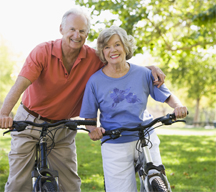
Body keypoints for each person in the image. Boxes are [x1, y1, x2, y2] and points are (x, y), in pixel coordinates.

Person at [0, 8, 166, 192]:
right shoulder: (42, 52)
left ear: (87, 34)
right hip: (29, 122)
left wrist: (148, 69)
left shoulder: (93, 58)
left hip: (62, 127)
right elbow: (19, 85)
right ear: (61, 29)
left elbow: (120, 64)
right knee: (18, 183)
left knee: (70, 185)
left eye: (82, 31)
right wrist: (4, 113)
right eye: (72, 29)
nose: (76, 35)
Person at [79, 26, 188, 192]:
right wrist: (93, 129)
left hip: (145, 136)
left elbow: (167, 96)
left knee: (158, 183)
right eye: (107, 47)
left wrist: (178, 106)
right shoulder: (95, 81)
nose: (112, 50)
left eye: (117, 44)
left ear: (125, 47)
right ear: (102, 52)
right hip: (114, 141)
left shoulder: (144, 73)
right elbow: (88, 117)